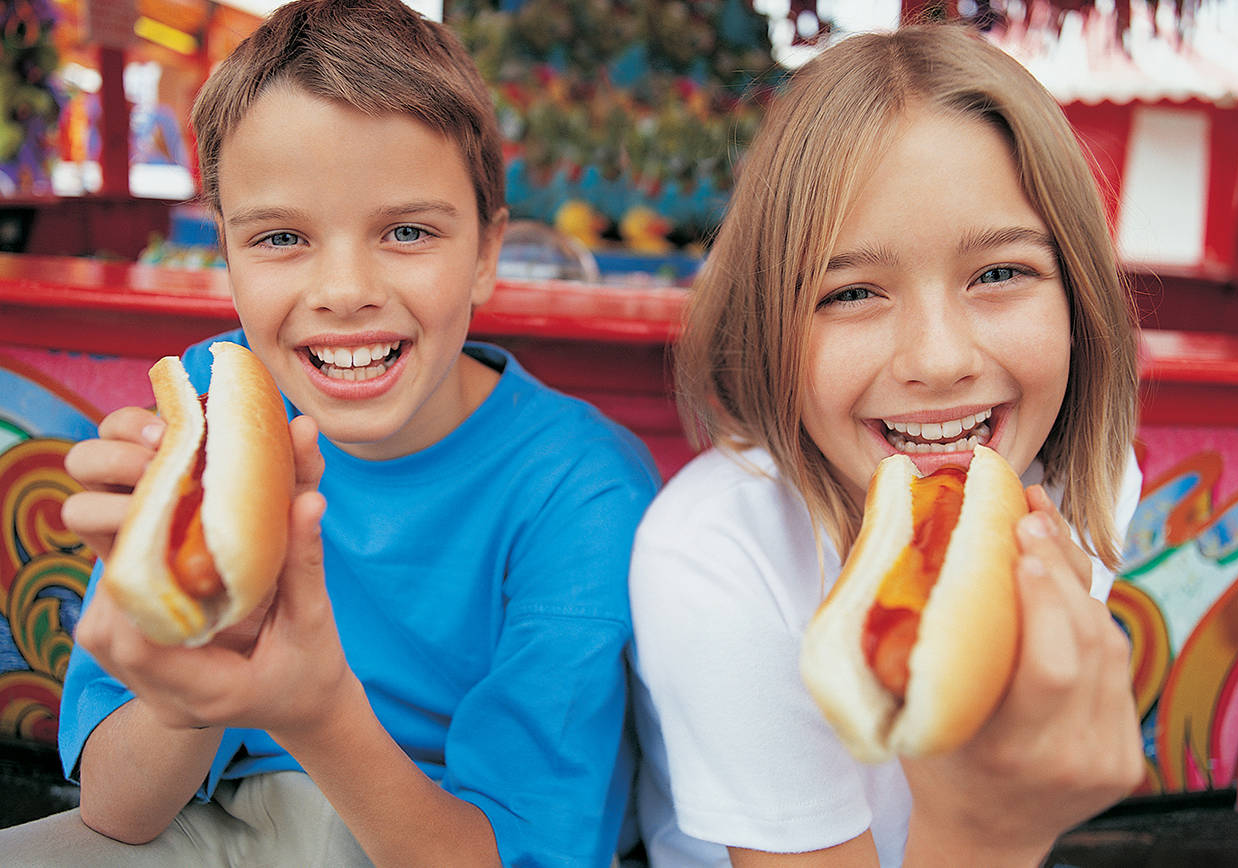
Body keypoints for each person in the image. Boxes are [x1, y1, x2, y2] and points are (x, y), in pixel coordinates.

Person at [0, 1, 659, 866]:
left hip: (428, 832)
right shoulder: (207, 402)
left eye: (408, 231)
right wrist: (205, 657)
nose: (344, 289)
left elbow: (516, 854)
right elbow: (120, 810)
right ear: (226, 261)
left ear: (488, 253)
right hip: (217, 821)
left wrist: (314, 707)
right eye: (281, 237)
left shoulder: (582, 488)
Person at [629, 24, 1146, 867]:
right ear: (769, 325)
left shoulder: (1091, 471)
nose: (940, 361)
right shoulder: (714, 556)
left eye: (999, 274)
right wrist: (995, 832)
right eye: (853, 292)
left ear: (1079, 294)